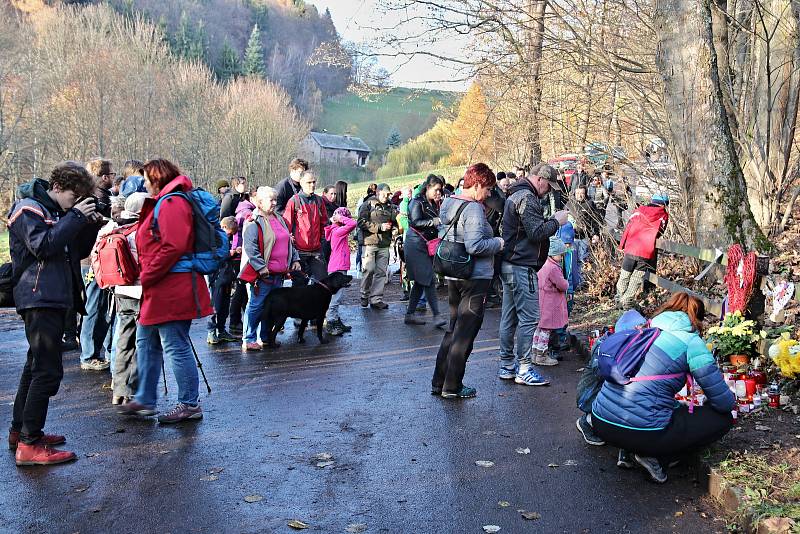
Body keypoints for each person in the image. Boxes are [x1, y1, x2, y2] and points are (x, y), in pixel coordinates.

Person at [8, 162, 100, 465]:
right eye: (73, 198)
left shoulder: (58, 212)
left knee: (35, 366)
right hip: (38, 297)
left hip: (52, 297)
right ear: (57, 187)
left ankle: (21, 431)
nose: (75, 205)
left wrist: (89, 223)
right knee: (47, 371)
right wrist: (75, 216)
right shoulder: (28, 208)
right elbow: (44, 246)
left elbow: (74, 251)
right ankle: (30, 444)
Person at [591, 292, 735, 483]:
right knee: (723, 419)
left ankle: (628, 450)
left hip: (601, 420)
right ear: (697, 319)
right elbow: (724, 402)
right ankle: (656, 456)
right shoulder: (691, 342)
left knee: (663, 408)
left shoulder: (644, 329)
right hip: (642, 433)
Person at [118, 158, 214, 424]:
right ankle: (145, 399)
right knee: (145, 341)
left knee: (175, 344)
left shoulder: (172, 202)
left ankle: (188, 404)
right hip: (163, 284)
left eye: (147, 179)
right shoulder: (168, 200)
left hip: (173, 284)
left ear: (155, 179)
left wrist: (147, 275)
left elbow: (173, 246)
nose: (144, 184)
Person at [432, 163, 504, 399]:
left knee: (453, 329)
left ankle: (439, 381)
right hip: (474, 277)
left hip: (454, 273)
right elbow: (475, 246)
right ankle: (453, 386)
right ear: (478, 185)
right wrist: (498, 243)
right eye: (489, 189)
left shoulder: (449, 201)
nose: (489, 194)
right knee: (465, 333)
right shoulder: (473, 208)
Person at [498, 164, 568, 386]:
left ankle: (507, 366)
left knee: (509, 317)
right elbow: (536, 232)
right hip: (521, 265)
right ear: (540, 179)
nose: (549, 190)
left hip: (510, 263)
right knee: (529, 317)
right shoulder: (527, 198)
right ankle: (525, 368)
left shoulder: (515, 193)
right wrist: (557, 221)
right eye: (548, 185)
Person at [239, 187, 301, 351]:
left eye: (275, 199)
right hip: (263, 276)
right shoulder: (253, 221)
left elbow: (288, 241)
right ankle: (249, 338)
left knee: (271, 307)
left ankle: (265, 337)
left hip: (279, 274)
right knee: (256, 306)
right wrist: (261, 267)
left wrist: (295, 259)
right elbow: (250, 248)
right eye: (271, 200)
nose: (275, 203)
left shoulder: (278, 218)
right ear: (259, 202)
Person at [104, 192, 149, 405]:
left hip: (121, 290)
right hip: (142, 292)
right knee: (144, 341)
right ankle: (134, 392)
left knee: (123, 338)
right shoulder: (145, 231)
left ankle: (119, 388)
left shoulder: (113, 228)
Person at [79, 157, 116, 371]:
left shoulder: (106, 197)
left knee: (103, 306)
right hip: (90, 261)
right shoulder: (90, 199)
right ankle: (88, 354)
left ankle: (99, 350)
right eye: (111, 175)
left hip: (104, 259)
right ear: (103, 177)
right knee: (93, 306)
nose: (113, 178)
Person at [404, 175, 446, 328]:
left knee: (421, 282)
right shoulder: (417, 202)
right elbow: (415, 222)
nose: (438, 193)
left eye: (440, 190)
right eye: (436, 190)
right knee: (428, 278)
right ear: (428, 187)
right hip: (415, 244)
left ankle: (410, 314)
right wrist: (433, 222)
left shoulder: (431, 203)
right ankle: (436, 315)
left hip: (425, 243)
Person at [616, 194, 669, 308]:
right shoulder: (663, 215)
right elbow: (660, 231)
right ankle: (625, 301)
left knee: (624, 275)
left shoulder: (638, 211)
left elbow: (628, 227)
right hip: (646, 250)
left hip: (631, 247)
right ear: (664, 204)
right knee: (636, 278)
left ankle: (619, 298)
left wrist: (621, 246)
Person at [282, 170, 328, 286]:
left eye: (314, 182)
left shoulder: (319, 200)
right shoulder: (294, 201)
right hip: (299, 251)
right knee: (299, 285)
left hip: (317, 250)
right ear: (301, 182)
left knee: (322, 283)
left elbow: (324, 223)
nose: (312, 185)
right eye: (309, 182)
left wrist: (321, 240)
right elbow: (286, 225)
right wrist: (292, 247)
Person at [357, 183, 397, 309]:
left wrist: (395, 229)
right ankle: (364, 295)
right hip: (370, 242)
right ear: (378, 192)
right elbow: (361, 222)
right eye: (384, 193)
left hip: (384, 244)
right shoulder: (367, 204)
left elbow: (395, 221)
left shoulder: (390, 206)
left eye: (388, 194)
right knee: (369, 270)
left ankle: (376, 299)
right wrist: (379, 227)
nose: (386, 196)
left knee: (381, 272)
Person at [533, 237, 569, 367]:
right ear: (553, 254)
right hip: (550, 303)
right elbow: (561, 285)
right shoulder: (553, 268)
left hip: (541, 300)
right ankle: (542, 356)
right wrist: (567, 283)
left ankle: (535, 353)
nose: (562, 256)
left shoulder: (543, 263)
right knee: (546, 330)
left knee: (539, 329)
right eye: (560, 254)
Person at [206, 216, 241, 345]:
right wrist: (230, 253)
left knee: (225, 306)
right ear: (224, 227)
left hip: (226, 277)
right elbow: (213, 257)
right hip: (216, 278)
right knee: (215, 306)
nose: (230, 236)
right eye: (229, 233)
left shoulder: (225, 238)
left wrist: (234, 253)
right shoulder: (214, 239)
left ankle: (221, 330)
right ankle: (211, 332)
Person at [323, 207, 357, 336]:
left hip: (337, 265)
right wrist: (340, 218)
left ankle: (336, 321)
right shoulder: (338, 232)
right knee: (335, 297)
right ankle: (331, 323)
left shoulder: (334, 230)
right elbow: (353, 223)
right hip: (338, 267)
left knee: (337, 296)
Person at [552, 223, 581, 357]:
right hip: (557, 289)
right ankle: (556, 341)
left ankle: (561, 337)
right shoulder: (555, 255)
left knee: (566, 312)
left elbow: (572, 273)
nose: (567, 246)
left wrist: (571, 289)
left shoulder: (571, 251)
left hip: (568, 289)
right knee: (557, 314)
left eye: (570, 243)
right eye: (565, 243)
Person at [355, 183, 378, 273]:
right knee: (364, 253)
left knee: (361, 252)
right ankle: (361, 270)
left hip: (362, 232)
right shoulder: (367, 203)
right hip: (366, 233)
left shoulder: (362, 200)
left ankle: (359, 270)